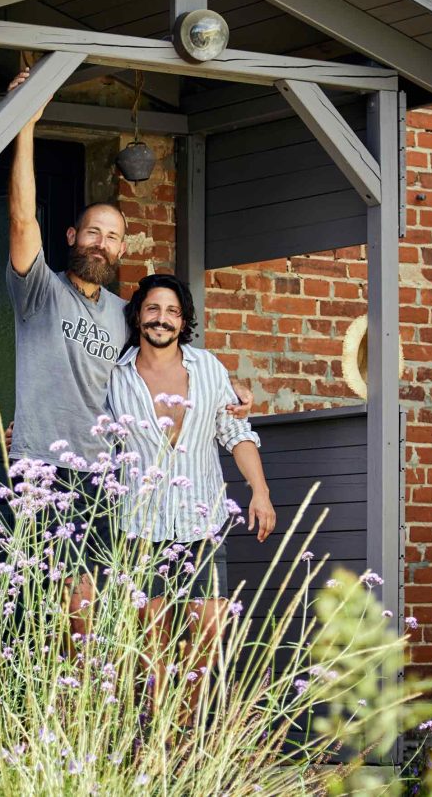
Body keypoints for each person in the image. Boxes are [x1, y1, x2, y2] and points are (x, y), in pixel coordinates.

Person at [5, 69, 254, 628]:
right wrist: (26, 123)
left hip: (104, 476)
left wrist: (227, 386)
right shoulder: (39, 291)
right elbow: (22, 217)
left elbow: (173, 346)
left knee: (91, 607)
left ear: (122, 249)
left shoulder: (124, 312)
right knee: (42, 605)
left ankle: (82, 713)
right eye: (92, 232)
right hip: (39, 465)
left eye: (113, 236)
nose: (102, 243)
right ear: (71, 237)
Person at [105, 272, 276, 723]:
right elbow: (95, 439)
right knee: (152, 641)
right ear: (139, 315)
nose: (162, 319)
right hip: (141, 526)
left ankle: (186, 723)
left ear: (184, 322)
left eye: (172, 312)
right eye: (153, 309)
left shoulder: (208, 368)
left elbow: (234, 430)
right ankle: (155, 734)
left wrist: (259, 491)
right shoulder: (115, 376)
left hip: (203, 522)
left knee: (210, 628)